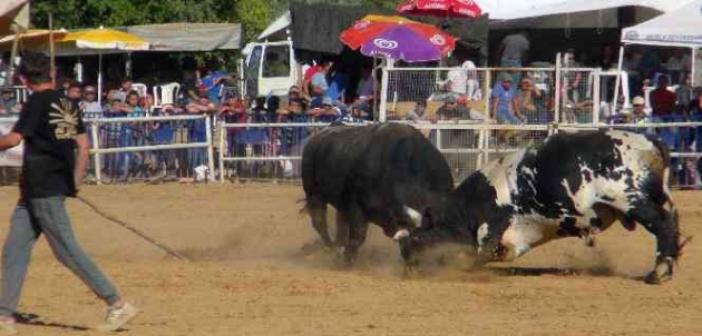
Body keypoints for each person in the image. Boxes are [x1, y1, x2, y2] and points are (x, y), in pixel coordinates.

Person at [0, 52, 139, 334]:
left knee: (67, 251)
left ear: (24, 79)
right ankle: (4, 316)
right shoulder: (69, 103)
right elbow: (83, 145)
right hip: (37, 191)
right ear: (50, 75)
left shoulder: (35, 103)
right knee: (14, 250)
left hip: (43, 188)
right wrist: (75, 181)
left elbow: (13, 139)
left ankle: (116, 303)